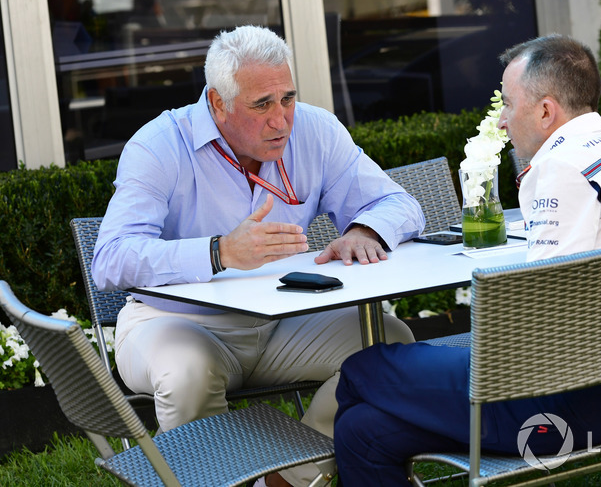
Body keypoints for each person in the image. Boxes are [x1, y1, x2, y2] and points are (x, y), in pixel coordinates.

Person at [332, 34, 601, 486]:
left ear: (546, 111)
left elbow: (544, 303)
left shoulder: (559, 167)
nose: (503, 121)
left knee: (363, 369)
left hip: (550, 403)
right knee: (363, 432)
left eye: (509, 105)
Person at [91, 25, 424, 487]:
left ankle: (288, 479)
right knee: (187, 371)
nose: (281, 120)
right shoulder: (159, 145)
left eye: (286, 98)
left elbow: (399, 203)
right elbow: (110, 259)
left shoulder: (316, 129)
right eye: (262, 104)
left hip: (282, 322)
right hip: (173, 323)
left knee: (388, 341)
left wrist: (365, 228)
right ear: (217, 103)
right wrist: (218, 251)